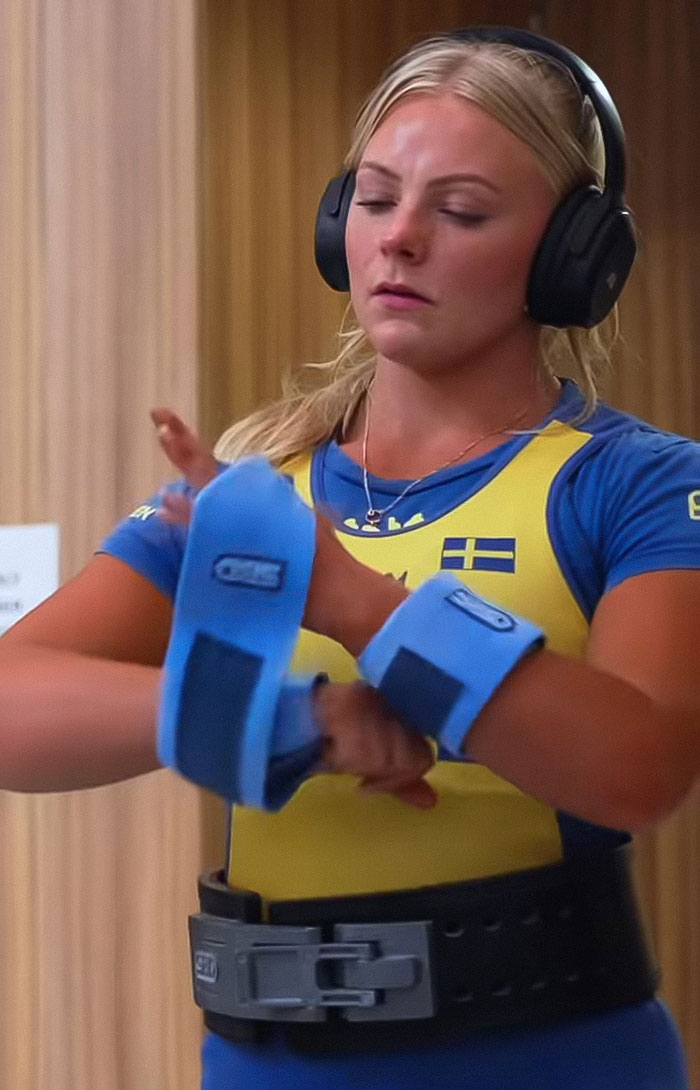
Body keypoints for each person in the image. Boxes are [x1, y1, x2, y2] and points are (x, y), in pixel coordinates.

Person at [1, 24, 699, 1090]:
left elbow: (636, 770)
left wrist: (350, 598)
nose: (400, 238)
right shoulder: (253, 488)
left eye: (461, 211)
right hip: (268, 1062)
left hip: (551, 1057)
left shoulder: (638, 480)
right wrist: (287, 719)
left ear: (572, 254)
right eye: (375, 199)